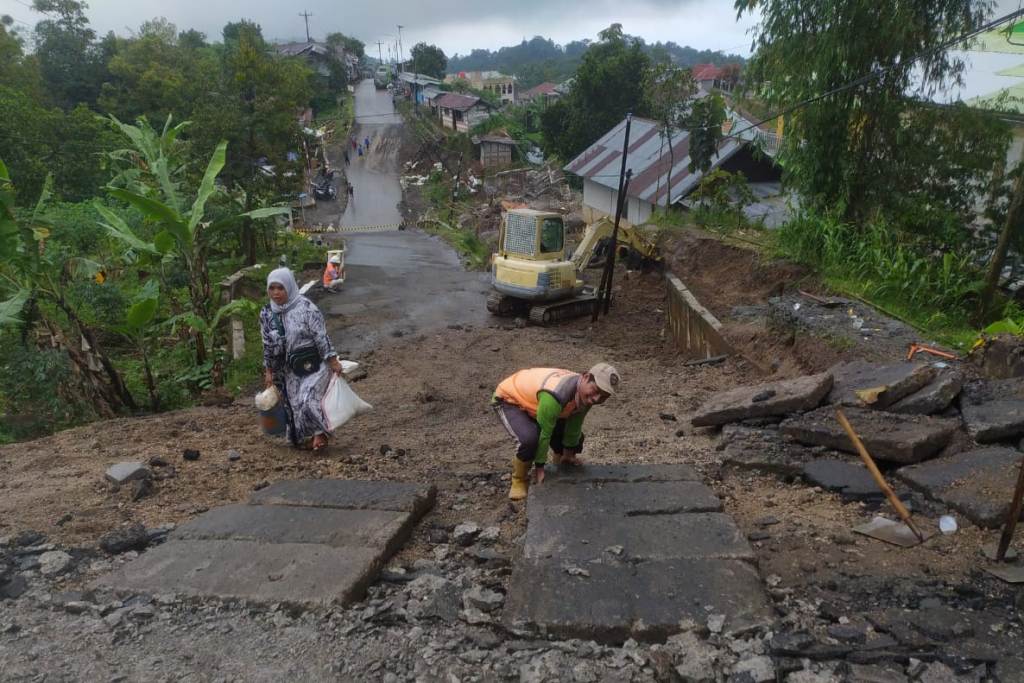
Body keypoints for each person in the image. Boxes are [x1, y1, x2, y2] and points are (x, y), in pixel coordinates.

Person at [492, 363, 620, 500]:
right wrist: (540, 467)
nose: (596, 399)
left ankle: (559, 465)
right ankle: (519, 479)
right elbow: (544, 433)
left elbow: (574, 425)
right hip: (511, 399)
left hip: (539, 405)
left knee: (576, 439)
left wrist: (569, 453)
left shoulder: (585, 395)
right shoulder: (557, 394)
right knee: (530, 440)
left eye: (603, 397)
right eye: (595, 390)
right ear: (586, 377)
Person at [260, 268, 344, 454]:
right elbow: (266, 344)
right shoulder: (267, 314)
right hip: (289, 370)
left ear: (289, 287)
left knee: (308, 399)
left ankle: (320, 434)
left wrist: (332, 361)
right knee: (296, 406)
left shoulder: (306, 308)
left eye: (280, 288)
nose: (276, 293)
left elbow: (321, 336)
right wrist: (269, 370)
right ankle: (306, 438)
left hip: (314, 365)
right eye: (272, 288)